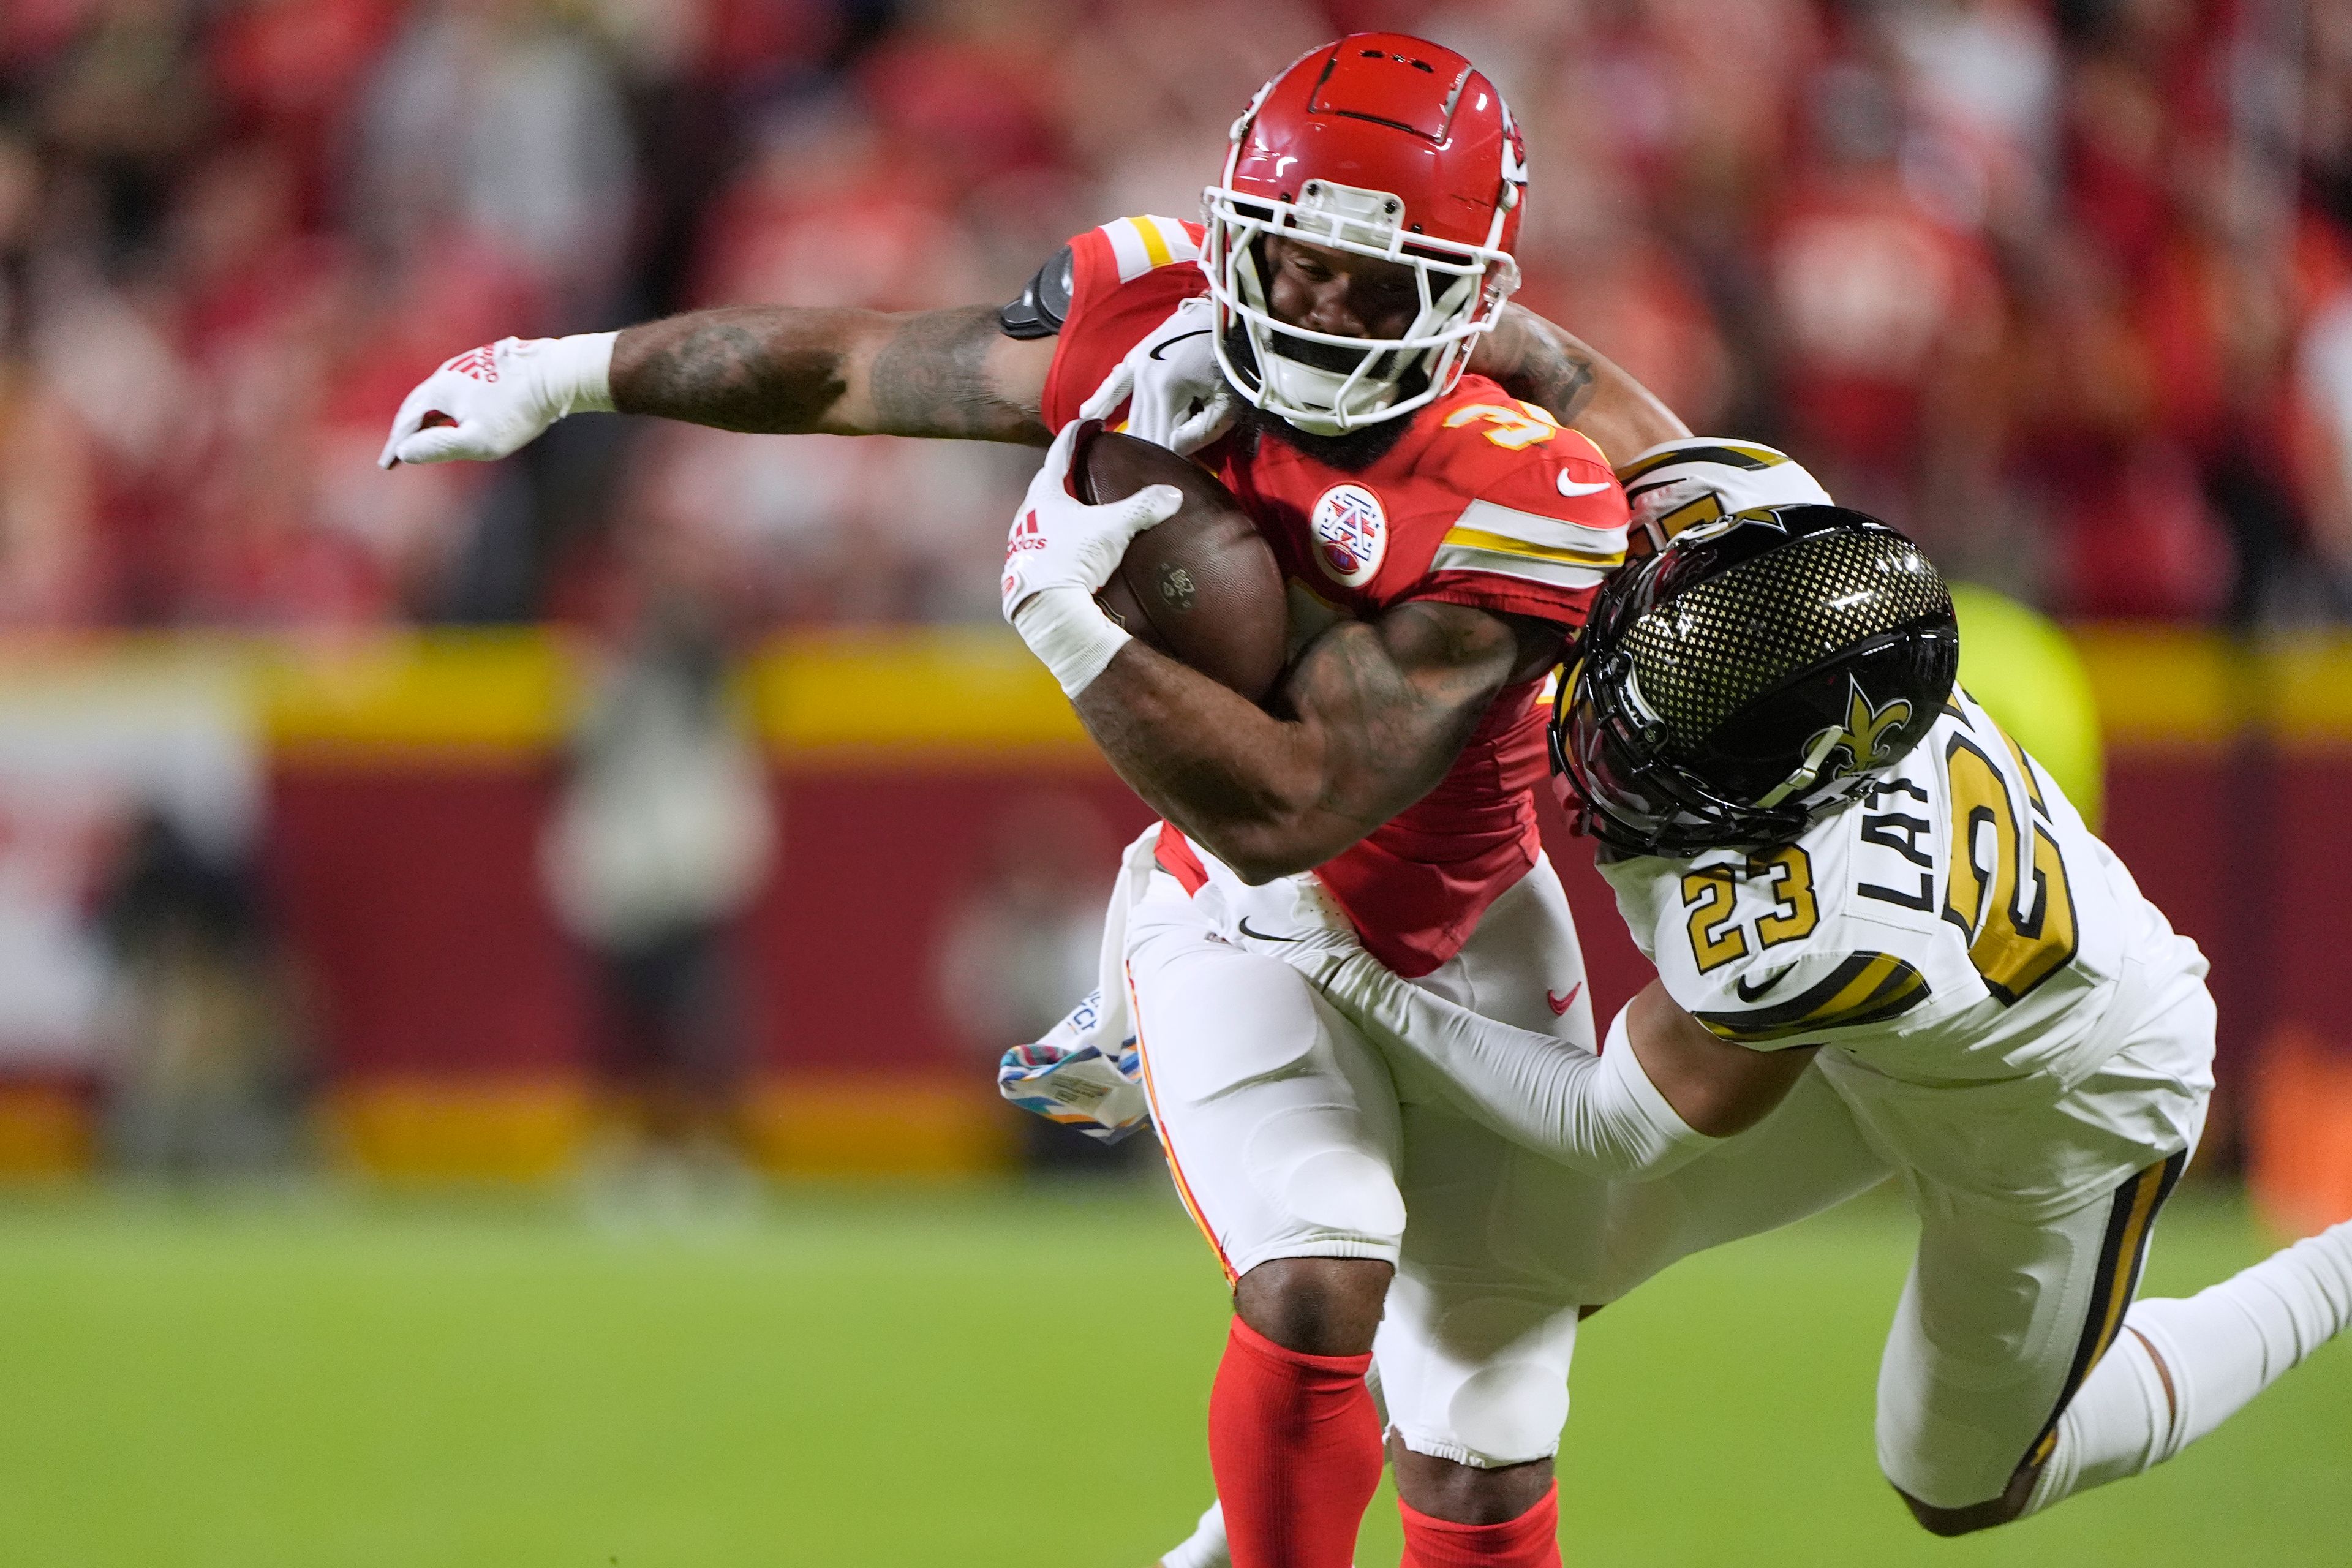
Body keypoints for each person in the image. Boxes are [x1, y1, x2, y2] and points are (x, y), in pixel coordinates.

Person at [383, 34, 1689, 1568]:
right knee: (1319, 1271)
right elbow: (850, 367)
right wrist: (564, 370)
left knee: (1480, 1450)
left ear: (1474, 300)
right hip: (1240, 917)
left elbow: (1304, 798)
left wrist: (1063, 619)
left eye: (1376, 281)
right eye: (1295, 262)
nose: (1323, 309)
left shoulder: (1526, 487)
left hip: (1460, 932)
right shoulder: (1153, 326)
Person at [1223, 497, 2352, 1540]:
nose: (1607, 744)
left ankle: (2341, 1269)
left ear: (1781, 799)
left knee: (1959, 1486)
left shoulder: (1814, 930)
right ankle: (1230, 1546)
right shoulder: (1779, 566)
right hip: (1898, 1027)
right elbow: (1599, 399)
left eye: (1664, 752)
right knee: (1521, 1268)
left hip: (2060, 1109)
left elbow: (1613, 1122)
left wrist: (1351, 975)